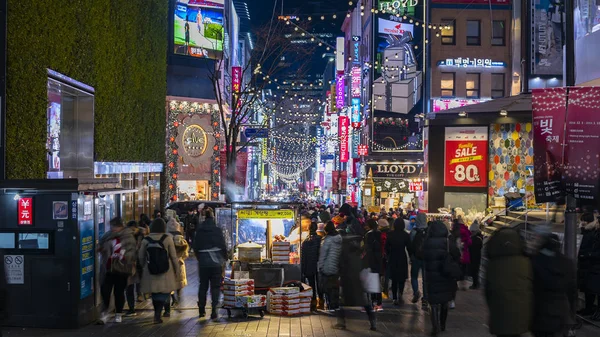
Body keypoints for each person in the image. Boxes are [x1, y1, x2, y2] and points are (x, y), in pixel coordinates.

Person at [485, 227, 533, 337]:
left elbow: (487, 291)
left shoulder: (493, 264)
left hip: (499, 311)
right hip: (520, 313)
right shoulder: (525, 262)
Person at [532, 232, 576, 337]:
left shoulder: (535, 261)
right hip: (561, 312)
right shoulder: (567, 263)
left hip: (540, 314)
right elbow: (572, 292)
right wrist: (571, 316)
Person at [422, 220, 460, 335]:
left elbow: (420, 254)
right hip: (445, 275)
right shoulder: (448, 242)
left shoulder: (427, 242)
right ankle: (443, 324)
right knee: (444, 301)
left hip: (431, 276)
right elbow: (457, 255)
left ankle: (435, 326)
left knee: (433, 302)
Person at [139, 218, 180, 324]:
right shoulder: (167, 238)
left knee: (155, 292)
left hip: (150, 269)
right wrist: (177, 270)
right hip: (166, 270)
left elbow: (141, 256)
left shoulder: (146, 239)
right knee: (164, 292)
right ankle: (158, 313)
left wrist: (143, 266)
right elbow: (174, 256)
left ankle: (157, 313)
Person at [335, 228, 377, 331]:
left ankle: (341, 322)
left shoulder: (342, 250)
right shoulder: (355, 248)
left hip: (347, 279)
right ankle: (373, 322)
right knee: (364, 302)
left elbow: (341, 264)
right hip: (357, 279)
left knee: (340, 301)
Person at [98, 217, 137, 324]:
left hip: (122, 269)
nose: (113, 229)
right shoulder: (107, 236)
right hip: (108, 268)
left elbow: (132, 252)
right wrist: (102, 250)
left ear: (120, 226)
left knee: (119, 292)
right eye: (112, 226)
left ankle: (118, 313)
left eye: (114, 226)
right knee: (105, 291)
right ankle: (104, 313)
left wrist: (123, 256)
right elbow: (100, 246)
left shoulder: (128, 237)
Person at [194, 209, 227, 319]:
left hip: (203, 262)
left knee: (203, 286)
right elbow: (223, 246)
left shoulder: (200, 230)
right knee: (215, 287)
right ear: (213, 217)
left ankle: (201, 310)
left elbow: (195, 246)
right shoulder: (217, 230)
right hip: (216, 263)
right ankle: (214, 310)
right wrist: (225, 258)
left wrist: (200, 258)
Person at [577, 213, 600, 319]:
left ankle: (595, 311)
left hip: (595, 264)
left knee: (595, 288)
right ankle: (589, 308)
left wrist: (586, 254)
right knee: (588, 288)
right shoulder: (592, 232)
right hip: (589, 264)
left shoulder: (594, 233)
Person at [166, 217, 189, 313]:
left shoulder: (166, 238)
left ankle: (171, 301)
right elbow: (186, 254)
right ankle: (178, 299)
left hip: (168, 264)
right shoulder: (181, 239)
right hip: (179, 263)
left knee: (168, 284)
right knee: (179, 283)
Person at [318, 221, 342, 311]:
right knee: (335, 286)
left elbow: (323, 254)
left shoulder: (327, 240)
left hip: (327, 266)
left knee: (328, 287)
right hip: (337, 265)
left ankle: (330, 305)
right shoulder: (339, 238)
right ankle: (336, 305)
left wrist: (320, 266)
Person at [386, 218, 411, 305]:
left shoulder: (390, 234)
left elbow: (387, 247)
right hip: (402, 256)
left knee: (394, 279)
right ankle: (400, 293)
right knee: (402, 278)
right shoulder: (405, 235)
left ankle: (394, 297)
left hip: (393, 256)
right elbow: (409, 247)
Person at [125, 220, 146, 316]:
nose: (131, 231)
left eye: (132, 229)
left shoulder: (143, 236)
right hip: (130, 264)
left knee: (140, 281)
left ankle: (140, 294)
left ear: (135, 228)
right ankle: (131, 307)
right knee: (129, 286)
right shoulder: (127, 237)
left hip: (140, 263)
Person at [301, 222, 322, 312]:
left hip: (309, 266)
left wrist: (303, 268)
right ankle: (321, 303)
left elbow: (303, 257)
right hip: (318, 265)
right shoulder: (320, 239)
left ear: (308, 229)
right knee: (319, 285)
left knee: (311, 285)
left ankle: (313, 303)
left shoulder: (305, 241)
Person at [364, 219, 383, 311]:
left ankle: (373, 301)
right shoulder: (379, 233)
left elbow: (368, 249)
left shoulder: (368, 234)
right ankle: (379, 302)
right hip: (379, 259)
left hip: (371, 260)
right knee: (377, 281)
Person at [409, 212, 428, 308]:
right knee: (425, 278)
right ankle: (425, 298)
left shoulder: (414, 231)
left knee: (414, 276)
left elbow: (411, 245)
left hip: (416, 257)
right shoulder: (429, 231)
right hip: (426, 258)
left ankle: (416, 291)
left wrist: (411, 256)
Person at [468, 221, 484, 290]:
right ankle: (476, 283)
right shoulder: (478, 238)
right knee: (475, 271)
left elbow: (472, 247)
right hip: (476, 256)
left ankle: (475, 284)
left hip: (475, 257)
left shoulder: (476, 239)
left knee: (475, 271)